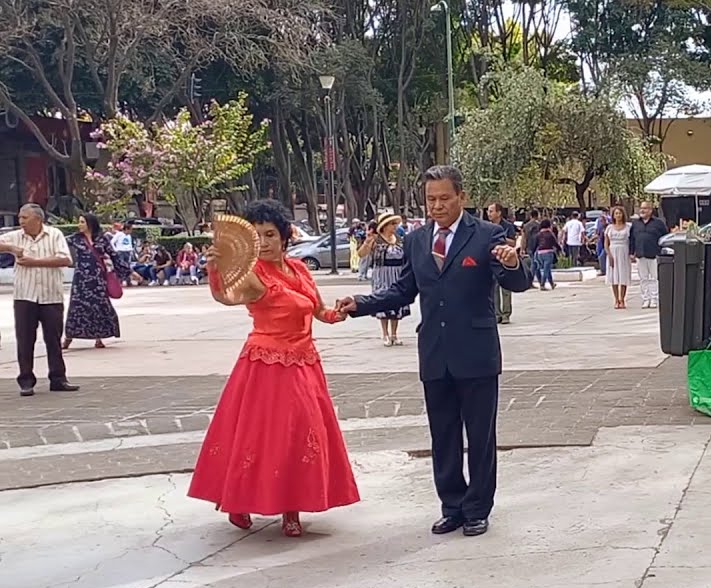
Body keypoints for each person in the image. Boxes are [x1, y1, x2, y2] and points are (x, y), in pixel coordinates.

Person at [336, 165, 532, 537]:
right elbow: (403, 290)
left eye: (444, 198)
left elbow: (517, 282)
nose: (437, 206)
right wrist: (360, 304)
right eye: (431, 200)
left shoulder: (487, 235)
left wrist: (513, 262)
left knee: (480, 436)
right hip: (434, 353)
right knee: (442, 436)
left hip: (476, 352)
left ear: (462, 196)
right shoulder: (417, 240)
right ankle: (452, 506)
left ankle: (477, 508)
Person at [189, 199, 359, 537]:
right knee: (263, 437)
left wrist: (337, 314)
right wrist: (215, 270)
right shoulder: (253, 275)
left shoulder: (300, 269)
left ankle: (292, 508)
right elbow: (228, 296)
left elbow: (317, 309)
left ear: (284, 237)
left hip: (305, 363)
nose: (264, 242)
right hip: (266, 366)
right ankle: (239, 502)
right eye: (257, 236)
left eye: (270, 235)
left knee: (300, 435)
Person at [0, 204, 77, 396]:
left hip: (51, 295)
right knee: (25, 339)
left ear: (38, 219)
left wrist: (35, 262)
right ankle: (26, 379)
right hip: (24, 296)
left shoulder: (54, 234)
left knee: (53, 338)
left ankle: (58, 378)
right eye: (20, 218)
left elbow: (65, 260)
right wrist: (10, 248)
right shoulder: (16, 236)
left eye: (25, 218)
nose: (21, 222)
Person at [63, 212, 123, 350]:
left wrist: (129, 272)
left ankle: (98, 338)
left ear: (90, 224)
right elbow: (57, 244)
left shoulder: (102, 240)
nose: (79, 225)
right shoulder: (75, 239)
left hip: (98, 279)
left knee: (99, 307)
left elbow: (114, 256)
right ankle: (68, 337)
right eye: (79, 222)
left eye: (82, 222)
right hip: (81, 280)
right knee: (77, 308)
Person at [358, 211, 413, 346]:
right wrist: (367, 243)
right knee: (382, 301)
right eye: (392, 224)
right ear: (385, 226)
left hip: (397, 273)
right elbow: (361, 254)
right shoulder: (376, 240)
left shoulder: (399, 239)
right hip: (382, 273)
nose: (395, 227)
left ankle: (394, 333)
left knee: (397, 302)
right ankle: (385, 334)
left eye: (395, 224)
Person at [629, 201, 667, 309]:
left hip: (655, 254)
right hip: (640, 254)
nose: (642, 210)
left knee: (655, 278)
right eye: (641, 208)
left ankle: (654, 299)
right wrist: (631, 252)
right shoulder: (636, 223)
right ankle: (645, 299)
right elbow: (631, 238)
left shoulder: (658, 223)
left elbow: (665, 237)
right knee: (643, 278)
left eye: (645, 208)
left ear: (650, 210)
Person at [487, 203, 519, 324]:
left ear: (499, 213)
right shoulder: (487, 227)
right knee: (493, 289)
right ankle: (497, 314)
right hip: (492, 261)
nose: (488, 214)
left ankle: (506, 314)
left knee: (506, 289)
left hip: (505, 260)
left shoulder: (508, 226)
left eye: (491, 211)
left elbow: (513, 242)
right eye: (488, 211)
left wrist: (500, 238)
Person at [603, 206, 632, 309]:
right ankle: (616, 299)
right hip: (613, 251)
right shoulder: (609, 228)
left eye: (620, 213)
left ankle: (622, 299)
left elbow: (632, 241)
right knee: (614, 277)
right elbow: (606, 243)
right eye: (616, 213)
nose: (618, 215)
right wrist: (609, 255)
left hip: (624, 251)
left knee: (623, 276)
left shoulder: (628, 227)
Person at [532, 219, 559, 290]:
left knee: (547, 269)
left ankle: (552, 283)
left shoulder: (538, 234)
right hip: (548, 252)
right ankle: (542, 284)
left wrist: (534, 252)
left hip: (540, 253)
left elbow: (535, 245)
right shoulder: (550, 233)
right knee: (546, 269)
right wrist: (560, 250)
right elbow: (555, 243)